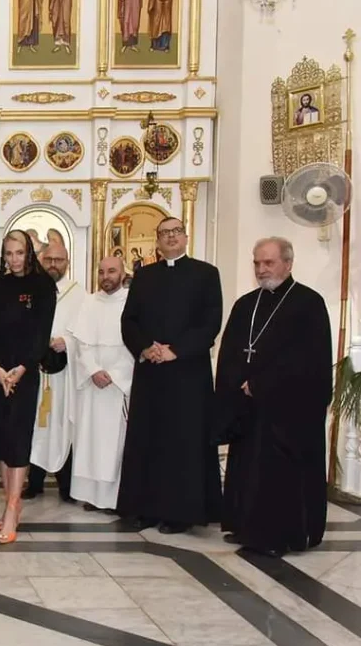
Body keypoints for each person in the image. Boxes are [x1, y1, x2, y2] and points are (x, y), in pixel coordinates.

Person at [215, 238, 332, 557]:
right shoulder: (246, 304)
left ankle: (279, 536)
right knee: (247, 466)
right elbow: (230, 351)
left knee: (278, 472)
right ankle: (244, 526)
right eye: (257, 263)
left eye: (268, 262)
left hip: (288, 410)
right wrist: (235, 384)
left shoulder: (308, 304)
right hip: (248, 406)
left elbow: (307, 359)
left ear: (288, 264)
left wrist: (260, 383)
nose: (261, 269)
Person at [117, 217, 222, 534]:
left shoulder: (206, 274)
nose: (171, 237)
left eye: (176, 232)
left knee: (183, 442)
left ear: (186, 237)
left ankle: (181, 513)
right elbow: (129, 321)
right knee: (148, 441)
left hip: (188, 374)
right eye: (164, 233)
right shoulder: (144, 276)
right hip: (151, 373)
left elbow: (211, 323)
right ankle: (145, 509)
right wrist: (145, 347)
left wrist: (176, 350)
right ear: (157, 241)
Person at [0, 231, 57, 544]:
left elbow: (41, 333)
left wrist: (21, 368)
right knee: (0, 437)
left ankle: (13, 507)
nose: (14, 259)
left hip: (24, 372)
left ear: (29, 254)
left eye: (19, 253)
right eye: (9, 253)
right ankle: (9, 501)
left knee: (18, 438)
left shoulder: (42, 286)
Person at [68, 257, 134, 512]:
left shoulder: (131, 302)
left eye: (112, 271)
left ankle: (113, 499)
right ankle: (91, 496)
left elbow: (134, 344)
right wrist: (93, 370)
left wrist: (115, 374)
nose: (106, 276)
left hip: (117, 385)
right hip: (93, 383)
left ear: (122, 273)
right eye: (102, 272)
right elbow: (81, 344)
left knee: (114, 444)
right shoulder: (89, 302)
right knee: (90, 442)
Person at [27, 236, 87, 502]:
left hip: (65, 373)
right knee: (35, 424)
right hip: (35, 370)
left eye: (58, 260)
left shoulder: (80, 294)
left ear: (67, 262)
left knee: (63, 424)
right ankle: (34, 482)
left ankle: (66, 485)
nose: (53, 264)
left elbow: (87, 333)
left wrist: (68, 342)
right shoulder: (31, 290)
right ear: (41, 261)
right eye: (48, 259)